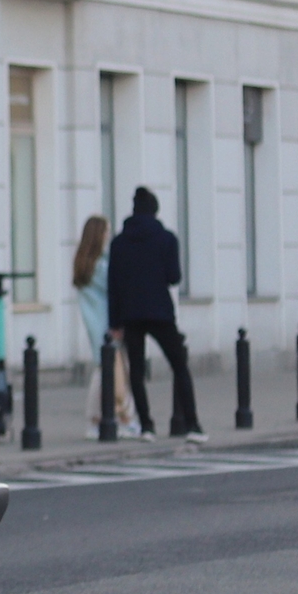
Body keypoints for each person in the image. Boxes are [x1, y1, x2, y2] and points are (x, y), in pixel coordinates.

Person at [107, 186, 204, 441]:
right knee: (179, 365)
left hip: (130, 313)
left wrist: (114, 322)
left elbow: (113, 286)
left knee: (137, 372)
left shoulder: (118, 243)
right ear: (155, 211)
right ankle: (192, 424)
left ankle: (147, 426)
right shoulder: (167, 239)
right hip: (160, 311)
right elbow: (174, 277)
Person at [72, 214, 137, 438]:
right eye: (106, 231)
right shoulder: (101, 266)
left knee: (103, 370)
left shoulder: (84, 264)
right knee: (112, 372)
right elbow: (117, 285)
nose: (108, 236)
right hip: (107, 325)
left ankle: (99, 418)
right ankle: (114, 417)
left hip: (94, 324)